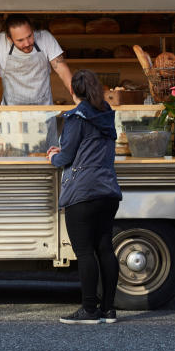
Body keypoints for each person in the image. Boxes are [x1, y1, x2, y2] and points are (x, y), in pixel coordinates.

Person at [47, 69, 122, 324]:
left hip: (83, 191)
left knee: (84, 252)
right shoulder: (106, 115)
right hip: (108, 191)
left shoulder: (76, 118)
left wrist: (53, 156)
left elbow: (66, 157)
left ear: (72, 91)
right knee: (105, 249)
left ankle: (89, 310)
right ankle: (109, 310)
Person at [0, 14, 74, 106]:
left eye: (29, 36)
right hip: (12, 114)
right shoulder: (0, 42)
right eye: (20, 40)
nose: (27, 43)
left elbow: (62, 69)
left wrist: (76, 95)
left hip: (43, 113)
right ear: (9, 39)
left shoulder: (45, 38)